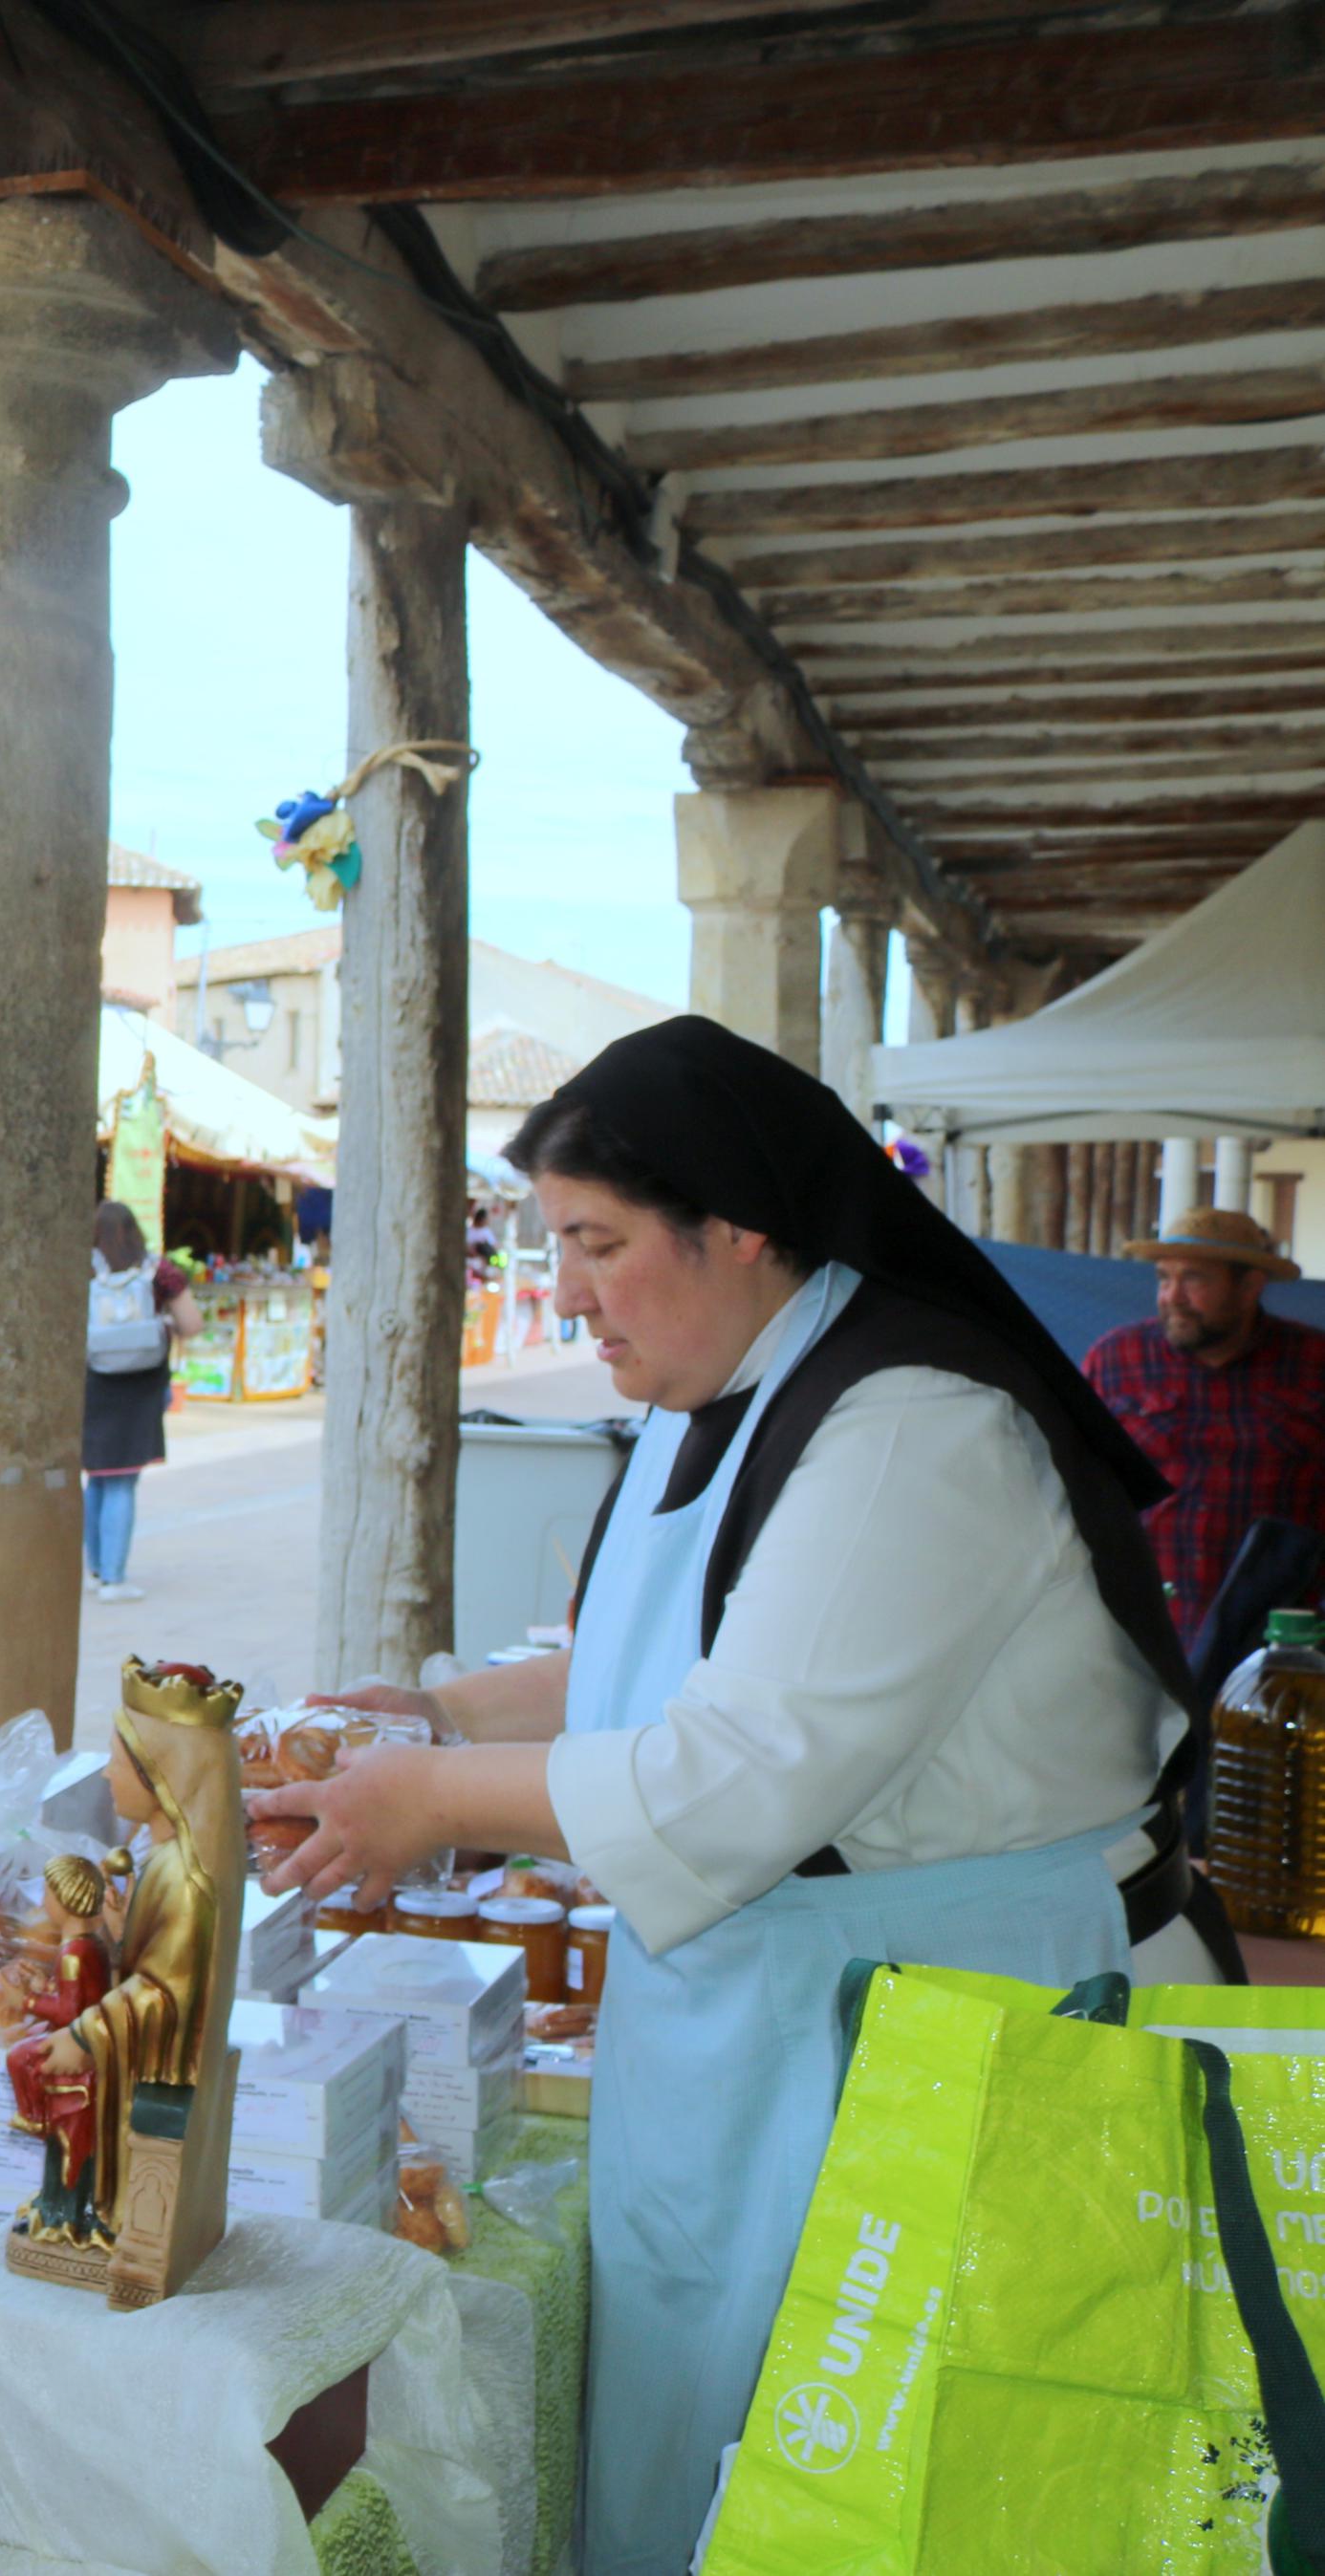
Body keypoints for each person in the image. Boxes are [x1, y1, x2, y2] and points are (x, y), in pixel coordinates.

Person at [249, 1016, 1225, 2576]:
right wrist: (430, 1710)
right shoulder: (716, 1395)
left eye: (594, 1242)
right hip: (777, 2015)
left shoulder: (913, 1429)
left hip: (955, 2019)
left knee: (890, 2480)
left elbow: (733, 1772)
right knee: (730, 2447)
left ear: (736, 1229)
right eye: (549, 1242)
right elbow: (650, 1671)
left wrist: (429, 1797)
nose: (560, 1290)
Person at [1083, 1205, 1325, 1650]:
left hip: (1282, 1637)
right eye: (1163, 1278)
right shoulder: (1116, 1359)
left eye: (1194, 1279)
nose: (1172, 1296)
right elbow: (1080, 1488)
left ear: (1250, 1286)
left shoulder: (1314, 1363)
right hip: (1145, 1627)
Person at [80, 1201, 199, 1604]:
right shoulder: (159, 1271)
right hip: (141, 1387)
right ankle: (115, 1578)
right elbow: (193, 1325)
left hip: (93, 1384)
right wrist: (162, 1324)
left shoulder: (81, 1269)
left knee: (97, 1476)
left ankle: (95, 1570)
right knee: (123, 1480)